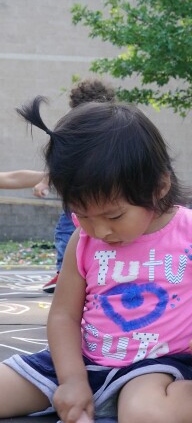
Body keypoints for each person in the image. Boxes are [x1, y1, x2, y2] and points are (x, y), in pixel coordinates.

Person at [0, 97, 192, 423]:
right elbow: (64, 314)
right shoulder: (84, 240)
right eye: (82, 214)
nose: (98, 230)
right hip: (83, 360)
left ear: (159, 187)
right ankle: (86, 396)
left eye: (113, 216)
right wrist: (71, 380)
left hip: (154, 368)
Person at [42, 79, 119, 294]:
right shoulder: (72, 129)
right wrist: (45, 181)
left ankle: (101, 269)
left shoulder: (114, 127)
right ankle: (64, 271)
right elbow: (58, 161)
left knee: (96, 229)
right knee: (68, 228)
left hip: (105, 189)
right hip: (80, 191)